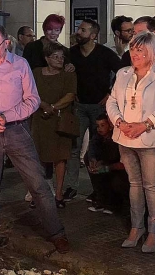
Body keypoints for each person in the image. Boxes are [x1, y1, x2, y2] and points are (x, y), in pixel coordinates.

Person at [0, 24, 70, 254]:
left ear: (7, 43)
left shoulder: (21, 65)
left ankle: (56, 232)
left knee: (38, 183)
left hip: (17, 130)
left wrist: (6, 116)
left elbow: (32, 99)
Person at [107, 31, 155, 253]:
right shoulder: (123, 73)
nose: (134, 54)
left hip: (151, 140)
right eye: (133, 49)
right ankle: (136, 227)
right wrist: (119, 122)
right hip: (125, 137)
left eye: (140, 50)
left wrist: (145, 124)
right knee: (134, 184)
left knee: (152, 185)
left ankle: (154, 230)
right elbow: (112, 101)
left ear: (152, 52)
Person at [66, 19, 122, 204]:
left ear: (93, 35)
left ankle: (98, 190)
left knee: (95, 151)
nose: (78, 32)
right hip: (79, 107)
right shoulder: (72, 53)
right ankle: (71, 186)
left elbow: (122, 73)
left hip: (99, 107)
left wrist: (110, 94)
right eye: (78, 29)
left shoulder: (105, 54)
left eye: (83, 30)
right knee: (74, 148)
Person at [31, 43, 77, 208]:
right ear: (47, 58)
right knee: (39, 156)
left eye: (62, 57)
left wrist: (53, 107)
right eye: (56, 57)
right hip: (40, 119)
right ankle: (40, 194)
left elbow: (70, 95)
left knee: (60, 156)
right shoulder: (37, 73)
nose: (60, 60)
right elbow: (31, 92)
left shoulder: (68, 74)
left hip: (60, 120)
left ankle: (58, 194)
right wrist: (43, 105)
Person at [85, 114, 128, 215]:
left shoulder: (117, 139)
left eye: (103, 125)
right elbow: (92, 150)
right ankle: (101, 198)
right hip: (107, 166)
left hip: (119, 171)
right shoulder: (98, 137)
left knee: (116, 181)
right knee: (88, 160)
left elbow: (122, 163)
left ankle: (116, 203)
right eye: (98, 126)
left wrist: (105, 167)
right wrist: (93, 160)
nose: (99, 129)